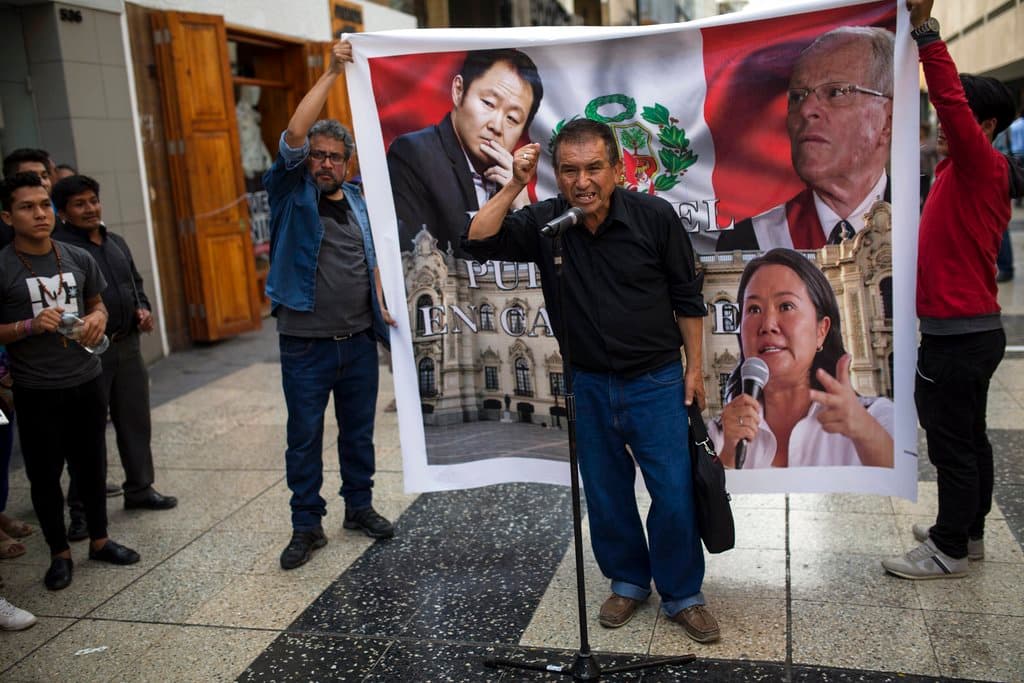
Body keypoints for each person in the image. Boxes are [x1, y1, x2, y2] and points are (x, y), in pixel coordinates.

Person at [464, 118, 718, 643]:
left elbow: (688, 300)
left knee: (673, 493)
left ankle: (682, 594)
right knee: (605, 493)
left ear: (617, 169)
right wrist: (513, 185)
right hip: (588, 383)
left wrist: (693, 370)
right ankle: (628, 582)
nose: (582, 182)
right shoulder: (548, 223)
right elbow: (478, 240)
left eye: (594, 168)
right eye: (570, 170)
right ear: (557, 175)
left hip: (656, 382)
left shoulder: (655, 217)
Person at [882, 0, 1016, 581]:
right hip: (968, 331)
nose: (940, 125)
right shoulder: (956, 173)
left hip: (958, 338)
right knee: (971, 438)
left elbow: (951, 101)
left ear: (982, 128)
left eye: (953, 119)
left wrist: (925, 31)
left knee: (952, 444)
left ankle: (948, 548)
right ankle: (971, 530)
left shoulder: (979, 165)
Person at [263, 40, 397, 571]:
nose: (323, 163)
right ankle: (306, 525)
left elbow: (373, 258)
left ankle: (358, 508)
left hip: (359, 341)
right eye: (317, 155)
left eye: (333, 157)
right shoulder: (289, 192)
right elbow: (294, 134)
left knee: (358, 433)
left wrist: (384, 302)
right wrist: (332, 73)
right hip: (305, 345)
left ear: (347, 162)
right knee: (304, 437)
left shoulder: (361, 200)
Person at [0, 172, 140, 591]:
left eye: (44, 204)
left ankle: (100, 540)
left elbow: (97, 304)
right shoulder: (3, 265)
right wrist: (27, 326)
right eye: (27, 207)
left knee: (91, 464)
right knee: (45, 475)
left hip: (86, 378)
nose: (40, 214)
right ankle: (59, 553)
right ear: (7, 216)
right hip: (36, 387)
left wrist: (97, 318)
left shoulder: (77, 257)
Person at [52, 175, 177, 544]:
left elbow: (134, 284)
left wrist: (143, 308)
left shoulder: (115, 242)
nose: (90, 208)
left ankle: (140, 488)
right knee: (87, 433)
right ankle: (81, 511)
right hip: (88, 351)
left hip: (128, 345)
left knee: (135, 421)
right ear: (63, 212)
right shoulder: (61, 252)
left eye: (93, 200)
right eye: (80, 204)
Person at [709, 248, 894, 469]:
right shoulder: (717, 435)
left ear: (821, 330)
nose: (767, 325)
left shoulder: (876, 418)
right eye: (754, 309)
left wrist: (866, 433)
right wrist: (728, 455)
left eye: (786, 306)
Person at [717, 26, 893, 252]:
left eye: (836, 92)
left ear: (886, 122)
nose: (806, 109)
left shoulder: (926, 223)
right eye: (797, 97)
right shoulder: (746, 243)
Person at [387, 48, 543, 258]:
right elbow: (421, 260)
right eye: (488, 103)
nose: (496, 126)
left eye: (512, 119)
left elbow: (535, 261)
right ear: (459, 90)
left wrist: (522, 205)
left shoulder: (514, 178)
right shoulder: (414, 154)